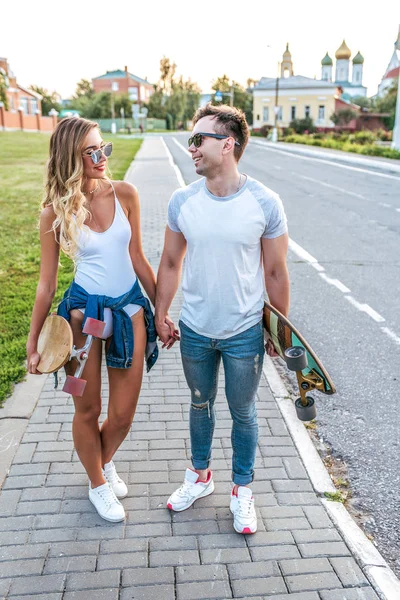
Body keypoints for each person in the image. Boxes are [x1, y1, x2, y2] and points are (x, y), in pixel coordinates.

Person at [26, 117, 174, 522]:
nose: (101, 157)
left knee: (123, 414)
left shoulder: (126, 193)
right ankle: (97, 483)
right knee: (87, 411)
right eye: (90, 151)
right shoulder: (54, 214)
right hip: (80, 317)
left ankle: (101, 462)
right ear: (70, 158)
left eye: (103, 148)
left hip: (129, 311)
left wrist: (160, 312)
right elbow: (46, 284)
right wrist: (33, 342)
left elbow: (139, 258)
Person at [155, 104, 290, 534]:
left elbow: (274, 271)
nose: (191, 147)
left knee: (244, 411)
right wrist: (161, 313)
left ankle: (242, 491)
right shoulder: (182, 201)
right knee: (200, 403)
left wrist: (278, 328)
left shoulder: (265, 203)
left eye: (199, 139)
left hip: (243, 332)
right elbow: (171, 263)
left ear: (227, 144)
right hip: (194, 328)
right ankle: (199, 477)